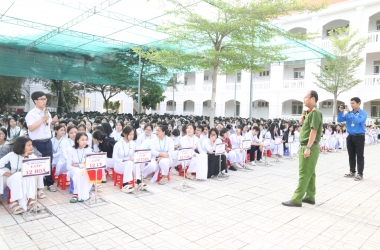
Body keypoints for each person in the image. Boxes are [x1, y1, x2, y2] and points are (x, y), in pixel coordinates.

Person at [282, 90, 322, 207]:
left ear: (313, 99)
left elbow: (313, 132)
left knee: (304, 173)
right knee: (310, 173)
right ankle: (310, 196)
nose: (304, 99)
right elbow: (306, 128)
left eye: (306, 97)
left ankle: (296, 198)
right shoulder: (309, 113)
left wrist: (308, 147)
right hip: (307, 145)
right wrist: (302, 120)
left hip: (309, 146)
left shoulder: (315, 113)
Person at [0, 137, 45, 214]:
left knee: (30, 174)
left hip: (26, 179)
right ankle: (13, 202)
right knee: (18, 174)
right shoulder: (11, 155)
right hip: (13, 180)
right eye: (29, 145)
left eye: (31, 145)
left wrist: (26, 156)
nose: (31, 147)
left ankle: (31, 200)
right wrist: (9, 174)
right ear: (22, 146)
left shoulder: (32, 155)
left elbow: (35, 167)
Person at [25, 91, 58, 192]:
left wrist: (53, 122)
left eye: (45, 99)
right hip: (36, 143)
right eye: (42, 99)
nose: (44, 101)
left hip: (48, 141)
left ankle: (49, 183)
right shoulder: (31, 114)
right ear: (35, 101)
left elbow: (49, 127)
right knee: (37, 163)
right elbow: (31, 128)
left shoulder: (47, 112)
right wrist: (43, 119)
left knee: (49, 162)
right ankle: (37, 186)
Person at [338, 97, 367, 181]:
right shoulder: (348, 113)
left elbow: (357, 120)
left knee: (360, 156)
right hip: (350, 136)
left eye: (353, 103)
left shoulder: (363, 113)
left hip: (359, 137)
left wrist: (349, 112)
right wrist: (341, 111)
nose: (351, 105)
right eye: (350, 103)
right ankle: (352, 172)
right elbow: (340, 119)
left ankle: (360, 174)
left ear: (359, 103)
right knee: (351, 155)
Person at [66, 132, 93, 203]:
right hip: (73, 170)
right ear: (77, 140)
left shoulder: (88, 149)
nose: (85, 142)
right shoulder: (71, 150)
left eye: (86, 140)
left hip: (83, 169)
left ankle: (81, 194)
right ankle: (76, 194)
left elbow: (89, 163)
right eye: (82, 140)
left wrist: (78, 165)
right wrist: (78, 166)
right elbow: (68, 166)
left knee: (85, 172)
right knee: (79, 172)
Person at [112, 126, 140, 193]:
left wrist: (133, 158)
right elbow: (114, 158)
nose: (131, 136)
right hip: (119, 164)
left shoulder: (133, 143)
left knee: (136, 162)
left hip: (129, 163)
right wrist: (124, 160)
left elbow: (135, 154)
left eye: (133, 134)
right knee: (129, 163)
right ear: (124, 134)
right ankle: (125, 184)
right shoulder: (118, 144)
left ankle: (139, 180)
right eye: (130, 134)